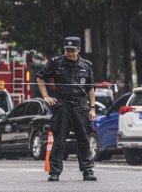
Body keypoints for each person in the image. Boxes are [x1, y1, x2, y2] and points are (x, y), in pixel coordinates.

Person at [36, 36, 96, 182]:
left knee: (84, 138)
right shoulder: (56, 63)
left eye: (72, 50)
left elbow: (90, 88)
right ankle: (54, 172)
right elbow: (40, 77)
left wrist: (92, 108)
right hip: (62, 105)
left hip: (80, 105)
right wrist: (46, 96)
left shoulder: (86, 65)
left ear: (79, 50)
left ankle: (87, 171)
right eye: (67, 50)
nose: (69, 53)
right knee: (59, 139)